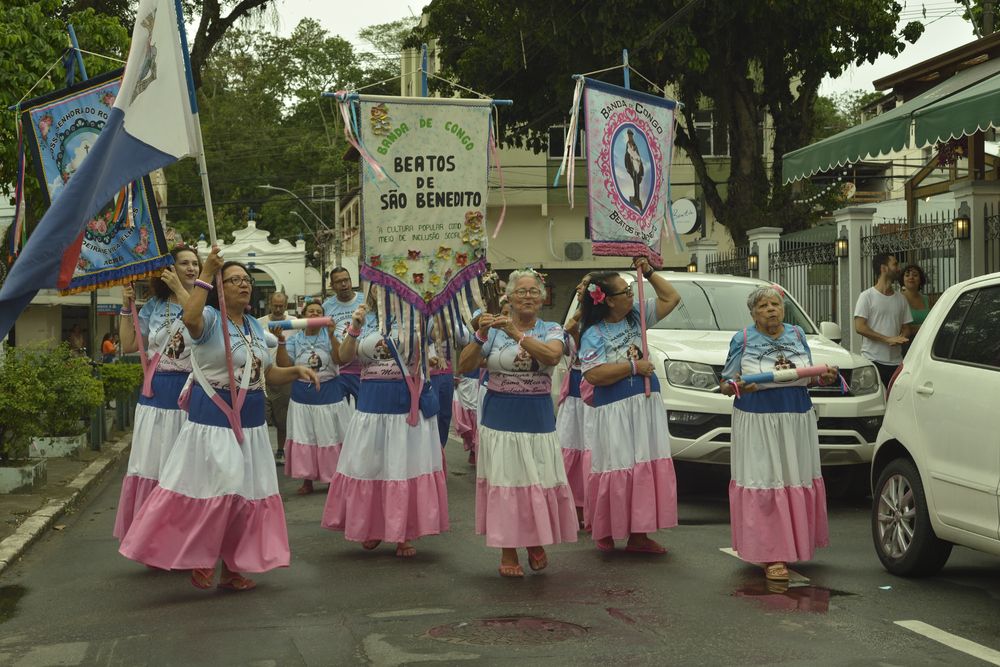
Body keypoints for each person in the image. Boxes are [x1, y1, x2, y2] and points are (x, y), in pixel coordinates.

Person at [120, 248, 319, 591]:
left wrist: (295, 371)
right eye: (233, 280)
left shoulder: (256, 327)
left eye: (246, 280)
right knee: (221, 491)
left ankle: (233, 567)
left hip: (253, 426)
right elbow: (191, 318)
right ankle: (201, 554)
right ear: (218, 287)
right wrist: (205, 273)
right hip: (213, 422)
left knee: (245, 497)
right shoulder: (210, 320)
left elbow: (266, 373)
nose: (243, 285)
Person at [458, 269, 577, 578]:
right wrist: (480, 335)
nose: (527, 297)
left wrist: (514, 332)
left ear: (542, 298)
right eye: (520, 292)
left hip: (537, 416)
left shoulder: (552, 329)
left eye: (533, 292)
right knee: (506, 483)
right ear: (507, 298)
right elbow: (465, 365)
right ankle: (508, 550)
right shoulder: (494, 331)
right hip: (500, 416)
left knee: (536, 481)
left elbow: (551, 357)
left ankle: (535, 540)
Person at [720, 285, 837, 582]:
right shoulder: (743, 339)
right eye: (763, 306)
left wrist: (823, 378)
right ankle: (770, 553)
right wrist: (737, 387)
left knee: (791, 477)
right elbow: (726, 383)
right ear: (753, 314)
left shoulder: (797, 335)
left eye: (775, 304)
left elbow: (806, 376)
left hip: (796, 417)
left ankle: (792, 544)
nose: (771, 309)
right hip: (758, 419)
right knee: (766, 478)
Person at [322, 303, 449, 558]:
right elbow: (343, 357)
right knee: (369, 467)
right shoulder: (365, 318)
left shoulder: (421, 316)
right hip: (371, 405)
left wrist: (432, 307)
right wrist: (355, 328)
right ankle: (372, 527)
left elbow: (441, 336)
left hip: (407, 407)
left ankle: (403, 533)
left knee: (403, 467)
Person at [578, 259, 681, 554]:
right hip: (615, 409)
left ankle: (639, 534)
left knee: (643, 465)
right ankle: (607, 530)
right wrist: (634, 367)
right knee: (617, 465)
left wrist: (648, 271)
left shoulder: (638, 316)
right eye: (625, 291)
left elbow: (671, 298)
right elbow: (594, 374)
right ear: (608, 301)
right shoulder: (593, 334)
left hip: (646, 404)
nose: (632, 295)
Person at [112, 246, 200, 541]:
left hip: (191, 395)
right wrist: (127, 308)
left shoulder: (207, 305)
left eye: (195, 263)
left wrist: (180, 288)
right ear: (170, 268)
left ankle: (185, 537)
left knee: (186, 470)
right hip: (156, 394)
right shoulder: (153, 306)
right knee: (153, 466)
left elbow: (197, 322)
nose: (191, 268)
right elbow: (128, 345)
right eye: (183, 263)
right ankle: (153, 536)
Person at [277, 300, 351, 495]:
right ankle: (307, 480)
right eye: (311, 311)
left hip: (329, 394)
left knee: (330, 437)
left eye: (319, 312)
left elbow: (339, 359)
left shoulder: (329, 336)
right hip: (302, 396)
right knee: (305, 438)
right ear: (303, 316)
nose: (315, 314)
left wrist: (333, 335)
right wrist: (281, 342)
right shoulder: (294, 339)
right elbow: (285, 365)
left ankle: (331, 479)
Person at [557, 276, 591, 528]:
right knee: (570, 444)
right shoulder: (577, 317)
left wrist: (577, 328)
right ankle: (570, 506)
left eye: (584, 285)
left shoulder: (600, 321)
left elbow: (586, 354)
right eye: (578, 283)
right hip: (574, 392)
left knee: (587, 447)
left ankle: (587, 506)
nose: (578, 287)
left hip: (591, 391)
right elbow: (569, 352)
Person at [853, 253, 913, 389]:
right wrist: (887, 339)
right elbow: (860, 327)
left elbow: (907, 328)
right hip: (872, 361)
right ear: (884, 268)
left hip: (897, 363)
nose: (899, 268)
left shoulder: (901, 299)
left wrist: (901, 338)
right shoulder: (866, 296)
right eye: (895, 264)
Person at [322, 267, 365, 405]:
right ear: (332, 286)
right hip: (339, 369)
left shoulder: (365, 301)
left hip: (364, 367)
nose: (344, 284)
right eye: (339, 281)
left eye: (346, 280)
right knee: (340, 414)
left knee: (363, 410)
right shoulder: (327, 306)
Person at [257, 292, 291, 464]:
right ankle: (261, 451)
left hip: (284, 377)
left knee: (282, 418)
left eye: (281, 306)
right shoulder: (259, 323)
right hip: (262, 376)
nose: (278, 309)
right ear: (270, 303)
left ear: (286, 305)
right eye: (275, 305)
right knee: (261, 416)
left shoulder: (294, 322)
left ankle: (281, 450)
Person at [900, 263, 931, 337]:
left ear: (920, 279)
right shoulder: (898, 298)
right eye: (907, 275)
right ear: (902, 279)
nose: (911, 277)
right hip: (905, 344)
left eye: (915, 275)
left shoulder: (927, 299)